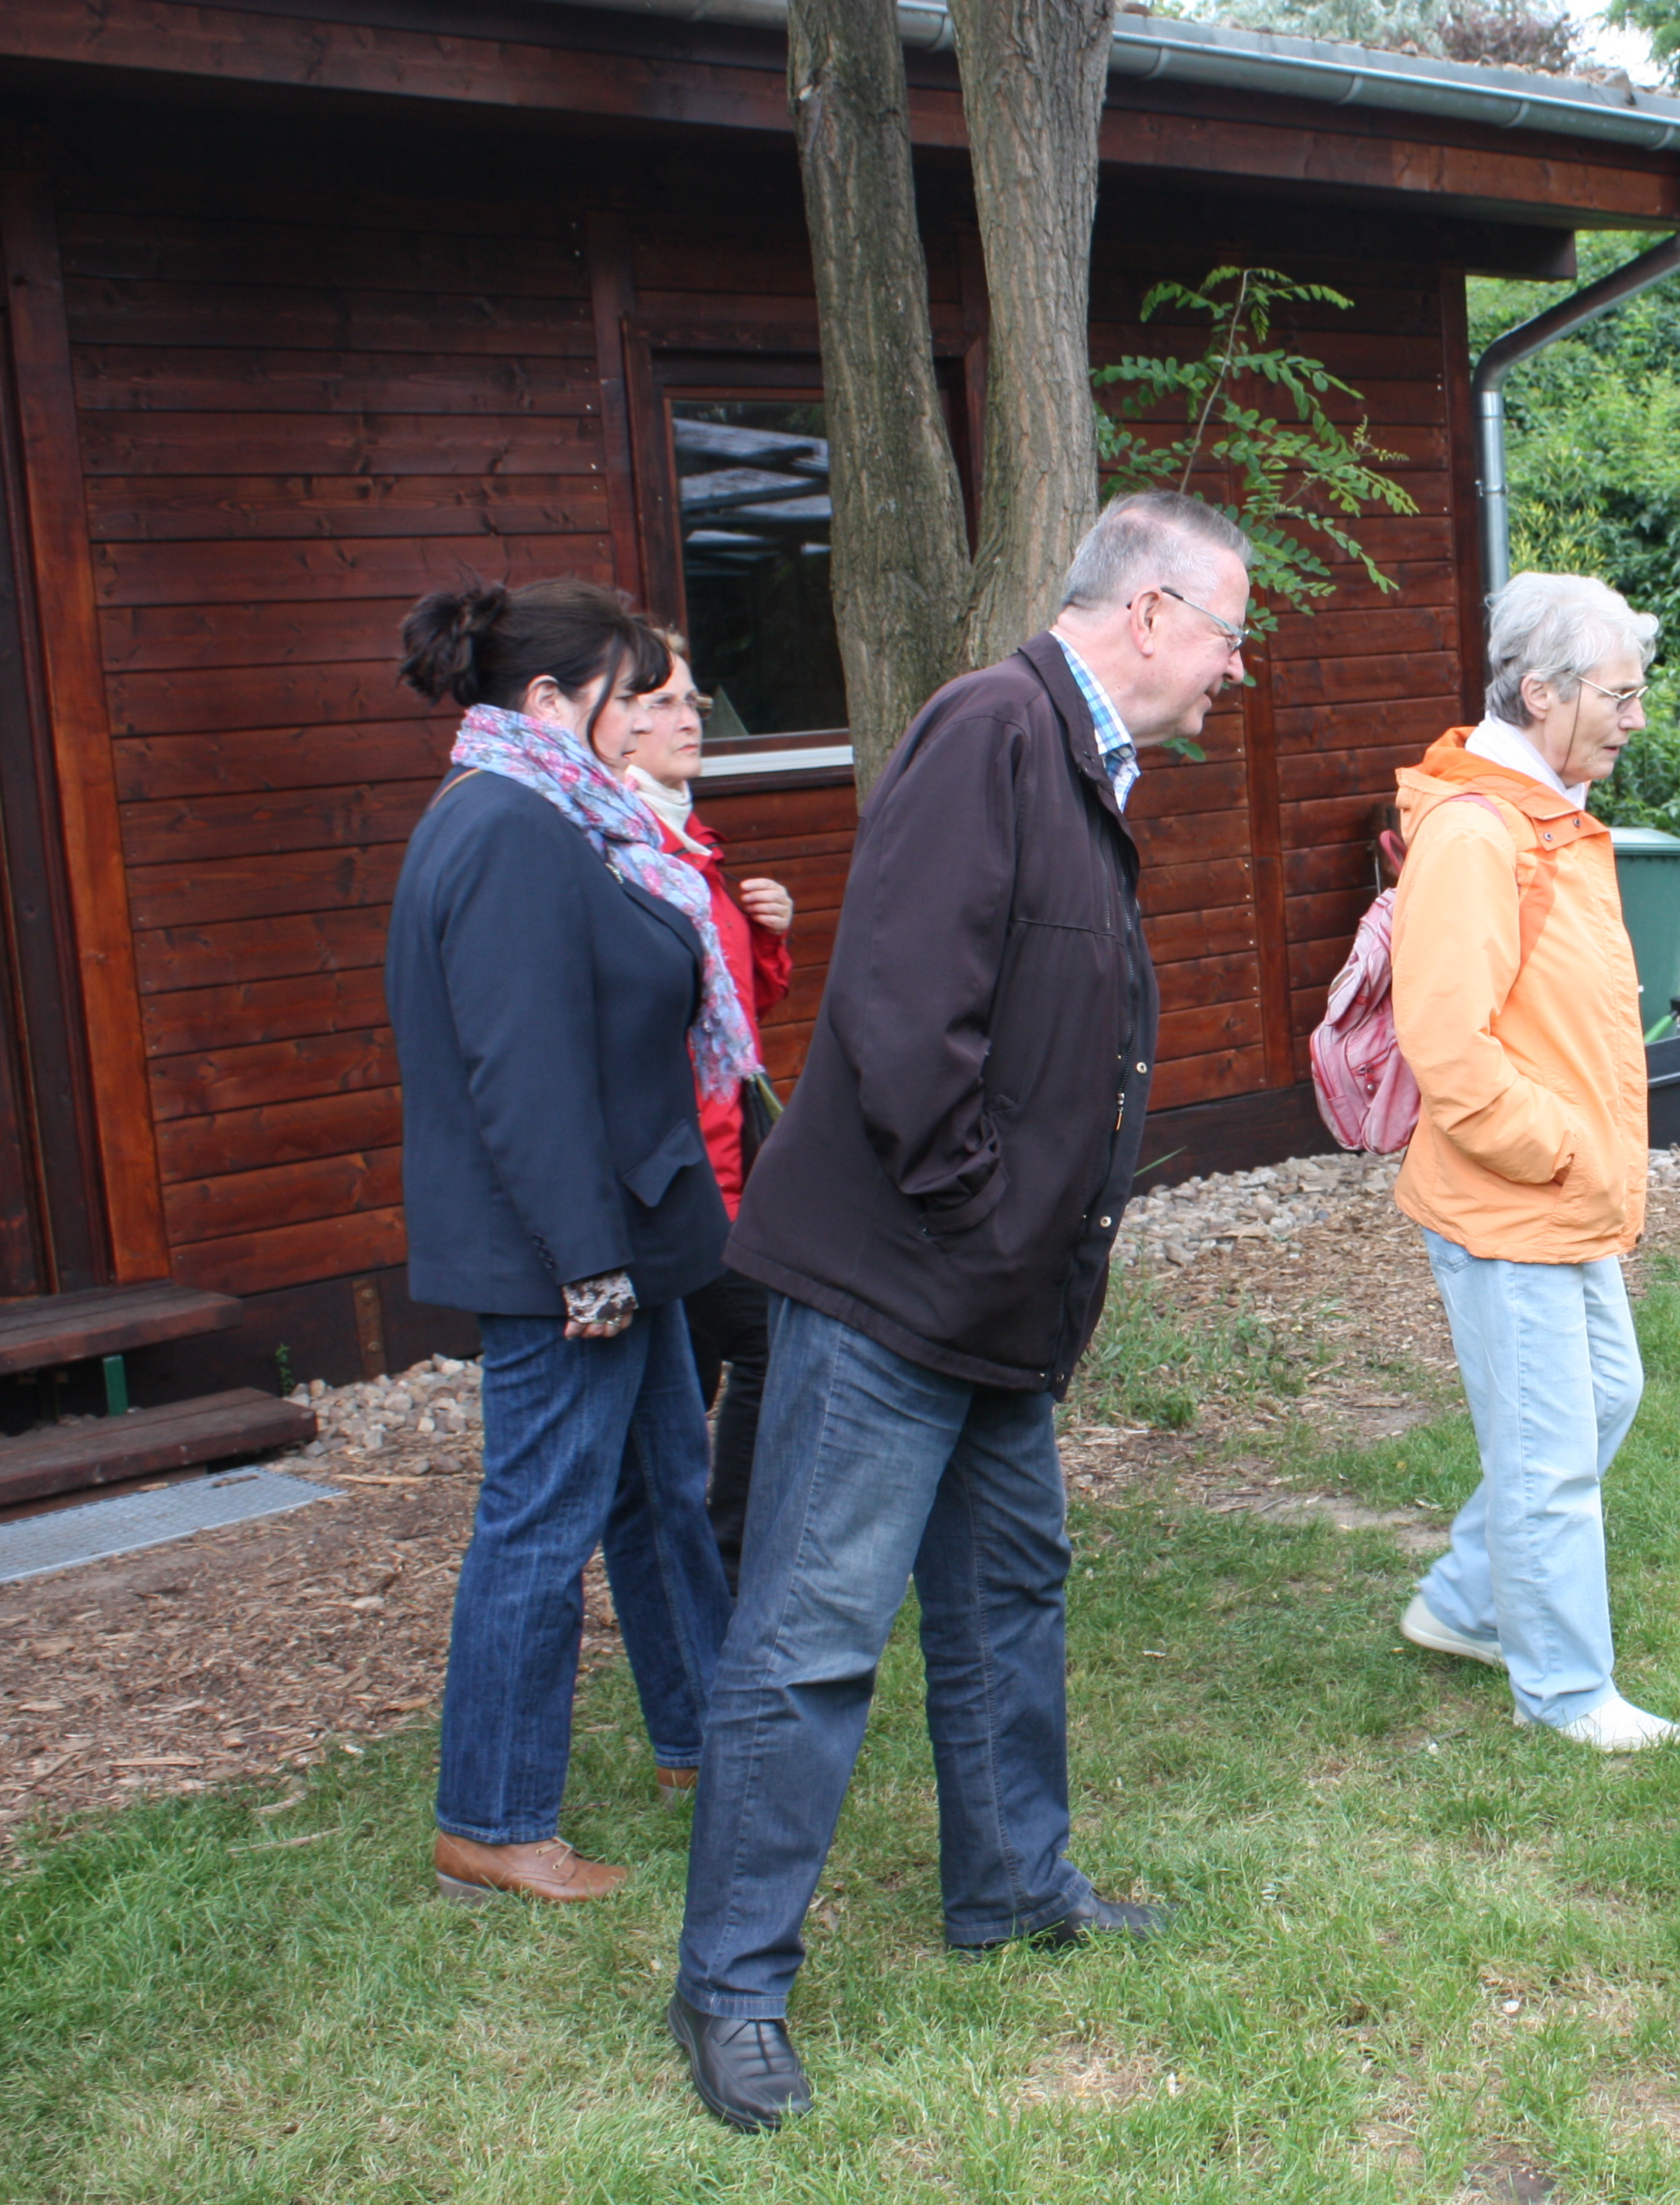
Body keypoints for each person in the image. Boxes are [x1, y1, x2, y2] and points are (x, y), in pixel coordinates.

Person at [668, 491, 1251, 2133]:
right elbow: (902, 1012)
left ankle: (1009, 1885)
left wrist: (1027, 1246)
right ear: (1147, 613)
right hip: (901, 1281)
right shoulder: (990, 728)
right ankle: (728, 1985)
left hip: (993, 1291)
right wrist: (991, 1209)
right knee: (813, 1632)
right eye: (1225, 635)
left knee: (1009, 1587)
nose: (1230, 672)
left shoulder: (1075, 758)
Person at [385, 578, 749, 1905]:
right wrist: (584, 1261)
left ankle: (709, 1738)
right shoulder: (508, 829)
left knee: (658, 1490)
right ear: (551, 700)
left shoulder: (553, 815)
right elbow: (519, 1068)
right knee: (537, 1524)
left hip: (623, 1233)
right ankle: (490, 1816)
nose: (655, 707)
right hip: (565, 1257)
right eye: (627, 684)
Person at [1385, 571, 1680, 1753]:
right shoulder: (1476, 829)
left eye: (1637, 690)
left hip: (1557, 1196)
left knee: (1606, 1396)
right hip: (1514, 1196)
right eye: (1619, 693)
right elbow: (1448, 1047)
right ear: (1542, 691)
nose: (1636, 716)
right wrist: (1557, 1147)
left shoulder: (1546, 809)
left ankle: (1464, 1602)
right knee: (1550, 1456)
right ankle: (1565, 1693)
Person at [622, 640, 796, 1596]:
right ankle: (710, 1562)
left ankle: (701, 1564)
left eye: (696, 699)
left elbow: (733, 1015)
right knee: (748, 1353)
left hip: (727, 1166)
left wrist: (766, 937)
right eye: (664, 701)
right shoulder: (628, 851)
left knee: (713, 1368)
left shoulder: (694, 847)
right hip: (680, 1175)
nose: (691, 718)